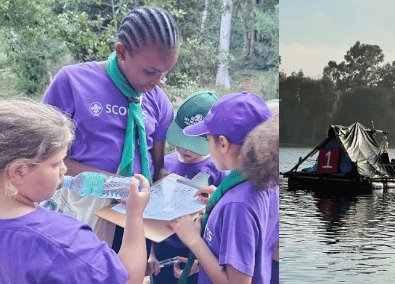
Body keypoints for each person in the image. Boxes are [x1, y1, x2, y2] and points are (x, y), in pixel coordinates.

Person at [41, 6, 179, 251]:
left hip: (132, 222)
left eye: (164, 74)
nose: (157, 82)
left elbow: (156, 170)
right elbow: (43, 160)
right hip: (78, 214)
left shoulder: (159, 102)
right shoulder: (73, 83)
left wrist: (184, 192)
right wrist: (116, 185)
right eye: (150, 71)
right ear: (122, 51)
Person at [0, 99, 151, 283]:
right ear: (18, 171)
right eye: (56, 163)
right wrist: (135, 215)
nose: (64, 169)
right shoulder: (64, 240)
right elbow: (129, 279)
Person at [168, 92, 277, 283]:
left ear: (223, 143)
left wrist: (193, 239)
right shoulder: (265, 182)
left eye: (208, 139)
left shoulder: (237, 205)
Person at [148, 91, 228, 284]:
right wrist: (151, 253)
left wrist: (200, 262)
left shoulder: (220, 173)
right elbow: (152, 213)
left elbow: (220, 227)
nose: (185, 149)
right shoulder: (162, 165)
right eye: (181, 142)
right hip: (161, 250)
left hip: (197, 253)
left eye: (194, 144)